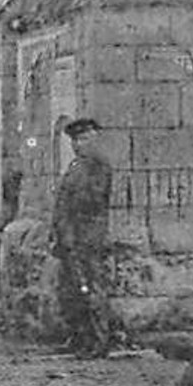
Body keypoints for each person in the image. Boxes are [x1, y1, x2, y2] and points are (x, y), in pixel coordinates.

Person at [51, 116, 113, 358]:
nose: (78, 144)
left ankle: (99, 340)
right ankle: (78, 337)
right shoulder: (76, 166)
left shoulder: (98, 167)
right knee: (72, 289)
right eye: (75, 140)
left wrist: (72, 224)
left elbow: (92, 202)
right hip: (70, 237)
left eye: (84, 139)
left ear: (95, 139)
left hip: (87, 237)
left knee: (91, 288)